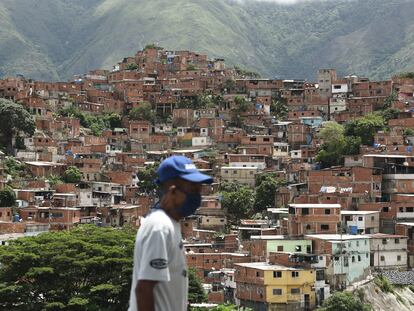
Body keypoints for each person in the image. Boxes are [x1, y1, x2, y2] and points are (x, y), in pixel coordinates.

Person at [128, 155, 213, 311]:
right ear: (173, 191)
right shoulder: (159, 227)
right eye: (193, 190)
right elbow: (144, 290)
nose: (197, 196)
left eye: (199, 190)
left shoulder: (171, 225)